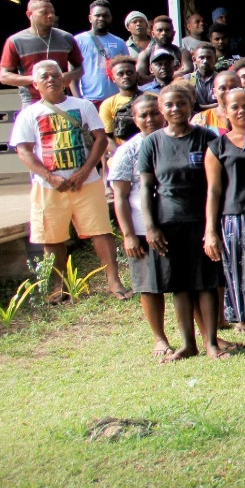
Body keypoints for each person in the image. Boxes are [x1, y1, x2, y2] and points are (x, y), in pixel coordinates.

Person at [9, 60, 126, 302]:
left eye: (55, 75)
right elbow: (24, 152)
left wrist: (84, 172)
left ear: (64, 79)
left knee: (101, 232)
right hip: (48, 187)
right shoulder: (28, 114)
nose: (50, 79)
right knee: (52, 237)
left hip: (88, 182)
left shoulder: (82, 105)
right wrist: (50, 177)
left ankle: (114, 281)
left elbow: (101, 140)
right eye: (44, 77)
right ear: (35, 84)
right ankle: (59, 286)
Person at [138, 83, 224, 361]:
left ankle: (211, 342)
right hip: (168, 224)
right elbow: (146, 188)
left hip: (202, 221)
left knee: (206, 282)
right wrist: (150, 226)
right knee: (179, 285)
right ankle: (188, 344)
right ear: (161, 109)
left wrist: (212, 227)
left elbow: (215, 184)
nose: (176, 109)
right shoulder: (152, 142)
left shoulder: (206, 137)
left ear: (191, 106)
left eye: (182, 104)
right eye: (170, 105)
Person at [204, 87, 245, 359]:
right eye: (234, 107)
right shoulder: (217, 146)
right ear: (224, 112)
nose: (241, 111)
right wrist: (210, 231)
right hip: (236, 219)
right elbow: (214, 191)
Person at [108, 94, 169, 355]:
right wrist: (128, 235)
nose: (150, 119)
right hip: (143, 231)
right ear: (135, 119)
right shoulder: (128, 151)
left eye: (154, 113)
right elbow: (120, 197)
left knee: (187, 286)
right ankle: (160, 338)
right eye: (143, 115)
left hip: (178, 225)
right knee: (149, 286)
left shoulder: (175, 141)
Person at [0, 0, 83, 106]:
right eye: (44, 12)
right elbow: (4, 76)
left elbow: (80, 69)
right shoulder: (15, 41)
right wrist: (35, 79)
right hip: (32, 101)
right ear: (29, 15)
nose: (50, 16)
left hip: (62, 99)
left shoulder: (66, 38)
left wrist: (69, 76)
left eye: (52, 13)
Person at [73, 0, 128, 104]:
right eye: (97, 15)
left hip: (116, 100)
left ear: (111, 18)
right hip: (89, 99)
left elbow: (128, 70)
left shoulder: (120, 42)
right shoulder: (78, 41)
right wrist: (78, 101)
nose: (101, 18)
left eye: (105, 15)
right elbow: (73, 73)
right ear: (90, 18)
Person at [100, 55, 144, 147]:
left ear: (137, 75)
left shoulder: (153, 99)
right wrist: (121, 154)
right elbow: (106, 137)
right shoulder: (108, 104)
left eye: (129, 72)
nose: (125, 77)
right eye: (120, 74)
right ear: (113, 79)